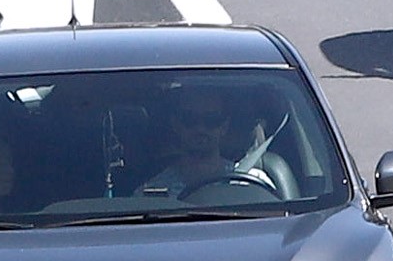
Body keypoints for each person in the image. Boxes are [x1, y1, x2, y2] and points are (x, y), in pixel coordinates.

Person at [123, 87, 289, 206]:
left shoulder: (253, 184)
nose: (200, 128)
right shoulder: (150, 195)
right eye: (190, 119)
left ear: (224, 127)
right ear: (176, 125)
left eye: (211, 120)